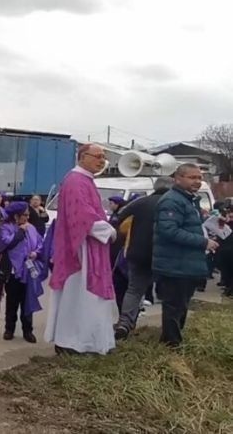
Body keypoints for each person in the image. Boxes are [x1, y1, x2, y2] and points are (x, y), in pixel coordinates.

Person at [44, 144, 117, 355]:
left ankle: (89, 341)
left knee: (85, 297)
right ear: (83, 157)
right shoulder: (76, 180)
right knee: (78, 296)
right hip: (81, 248)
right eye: (98, 156)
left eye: (104, 157)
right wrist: (109, 231)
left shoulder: (85, 179)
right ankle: (74, 342)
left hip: (91, 244)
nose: (102, 161)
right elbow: (82, 216)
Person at [152, 164, 219, 348]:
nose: (197, 182)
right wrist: (203, 242)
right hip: (174, 264)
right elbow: (169, 231)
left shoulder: (188, 200)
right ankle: (171, 344)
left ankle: (175, 339)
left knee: (181, 305)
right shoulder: (172, 201)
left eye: (199, 178)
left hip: (185, 263)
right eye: (192, 178)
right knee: (173, 306)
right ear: (178, 178)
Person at [113, 177, 173, 340]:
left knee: (134, 290)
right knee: (169, 292)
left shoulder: (140, 202)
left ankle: (124, 323)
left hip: (137, 253)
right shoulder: (174, 203)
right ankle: (169, 329)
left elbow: (119, 217)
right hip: (164, 255)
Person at [0, 202, 46, 343]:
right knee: (12, 302)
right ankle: (9, 328)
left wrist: (36, 253)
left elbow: (40, 244)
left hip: (29, 271)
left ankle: (28, 330)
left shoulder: (32, 228)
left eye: (28, 215)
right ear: (16, 216)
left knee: (28, 300)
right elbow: (4, 243)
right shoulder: (6, 228)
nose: (27, 217)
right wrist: (20, 232)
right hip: (13, 272)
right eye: (25, 215)